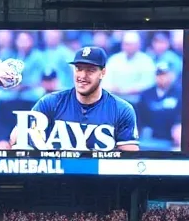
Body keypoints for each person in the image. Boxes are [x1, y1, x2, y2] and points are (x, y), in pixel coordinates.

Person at [10, 46, 139, 152]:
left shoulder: (121, 109)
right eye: (79, 69)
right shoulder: (50, 102)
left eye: (90, 70)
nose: (82, 76)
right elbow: (15, 137)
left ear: (103, 73)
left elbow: (130, 157)